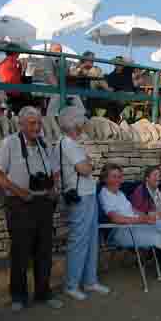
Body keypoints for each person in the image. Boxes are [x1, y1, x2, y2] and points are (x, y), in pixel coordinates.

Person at [0, 106, 64, 312]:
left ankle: (43, 293)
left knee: (44, 251)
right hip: (20, 204)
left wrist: (54, 188)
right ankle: (18, 296)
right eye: (32, 123)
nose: (37, 127)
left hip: (44, 203)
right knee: (21, 252)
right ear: (20, 124)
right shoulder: (10, 143)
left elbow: (55, 171)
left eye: (39, 123)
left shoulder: (44, 143)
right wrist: (18, 191)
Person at [99, 164, 161, 291]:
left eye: (120, 177)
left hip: (136, 226)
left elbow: (132, 210)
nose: (118, 180)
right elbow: (116, 218)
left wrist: (146, 216)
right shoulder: (105, 194)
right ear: (105, 179)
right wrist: (141, 219)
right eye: (114, 177)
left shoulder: (119, 193)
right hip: (122, 231)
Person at [57, 107, 110, 301]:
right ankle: (72, 284)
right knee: (79, 241)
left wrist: (88, 164)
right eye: (81, 120)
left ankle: (90, 280)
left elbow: (85, 166)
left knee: (90, 239)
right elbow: (85, 168)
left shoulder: (72, 143)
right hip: (80, 196)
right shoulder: (69, 144)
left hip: (86, 194)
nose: (83, 123)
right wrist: (90, 164)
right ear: (75, 123)